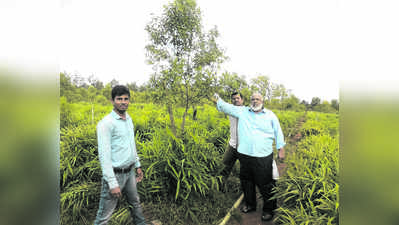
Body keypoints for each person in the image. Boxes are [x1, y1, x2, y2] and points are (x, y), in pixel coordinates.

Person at [213, 92, 286, 221]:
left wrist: (281, 149)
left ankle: (269, 209)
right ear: (250, 101)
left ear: (262, 101)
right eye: (253, 99)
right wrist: (215, 98)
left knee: (265, 184)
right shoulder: (243, 112)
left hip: (262, 156)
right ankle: (250, 204)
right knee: (246, 181)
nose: (255, 101)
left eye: (258, 99)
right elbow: (226, 107)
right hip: (245, 155)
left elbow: (278, 132)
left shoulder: (270, 115)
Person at [94, 85, 149, 225]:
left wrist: (137, 165)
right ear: (112, 101)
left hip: (129, 172)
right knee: (104, 216)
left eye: (126, 99)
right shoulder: (106, 124)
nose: (123, 102)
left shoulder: (128, 119)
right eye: (119, 99)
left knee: (135, 203)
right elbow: (104, 157)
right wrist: (112, 183)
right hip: (115, 174)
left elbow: (131, 144)